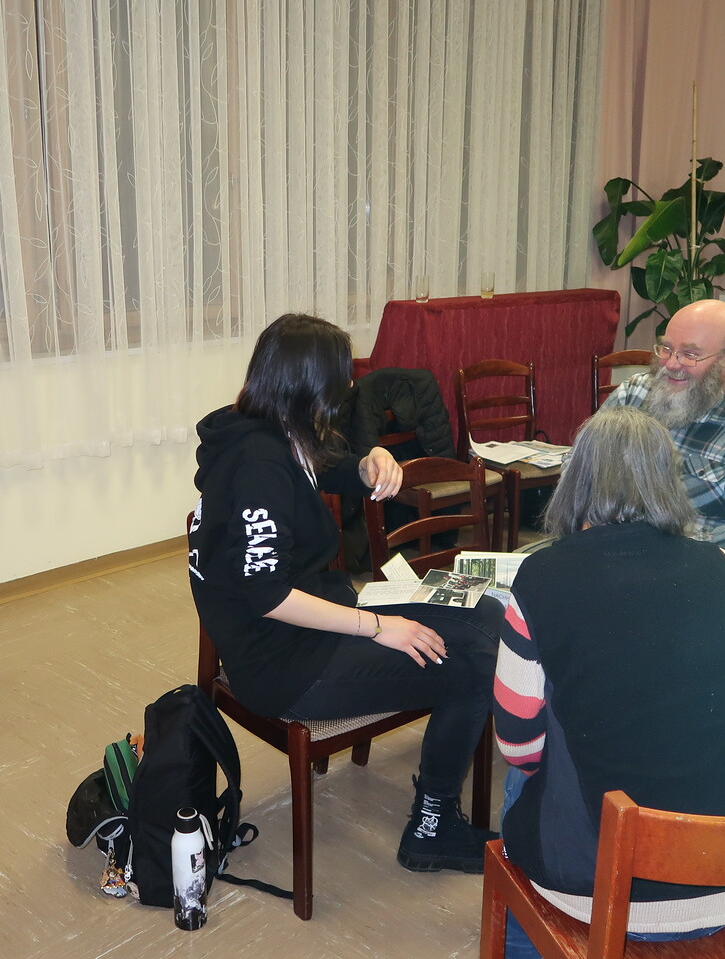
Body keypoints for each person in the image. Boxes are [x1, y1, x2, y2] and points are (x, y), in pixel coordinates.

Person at [187, 313, 501, 873]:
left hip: (316, 624)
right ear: (309, 387)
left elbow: (326, 468)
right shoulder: (257, 464)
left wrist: (368, 460)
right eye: (339, 381)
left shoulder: (269, 429)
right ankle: (432, 827)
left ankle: (442, 799)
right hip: (286, 665)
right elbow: (266, 596)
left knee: (484, 613)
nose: (347, 389)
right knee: (471, 664)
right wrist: (380, 628)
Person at [494, 407, 725, 953]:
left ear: (576, 478)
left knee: (524, 782)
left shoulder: (540, 575)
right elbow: (724, 684)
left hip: (605, 886)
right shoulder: (722, 568)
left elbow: (517, 744)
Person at [601, 299, 725, 585]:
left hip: (690, 582)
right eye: (666, 348)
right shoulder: (634, 393)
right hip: (607, 557)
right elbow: (579, 466)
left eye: (690, 354)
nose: (671, 364)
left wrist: (646, 535)